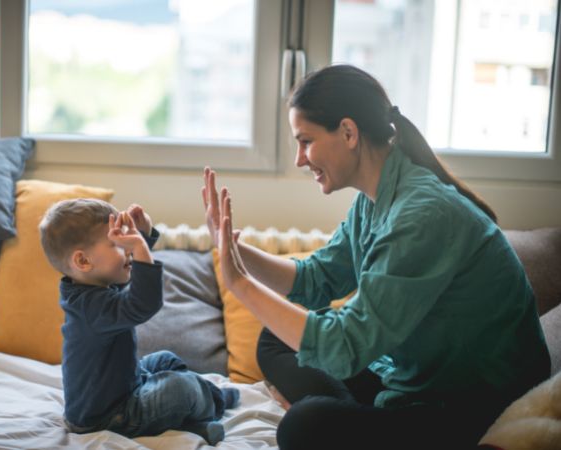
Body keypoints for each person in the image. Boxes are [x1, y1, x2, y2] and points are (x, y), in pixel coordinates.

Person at [202, 64, 550, 450]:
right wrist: (234, 254)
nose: (300, 159)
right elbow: (317, 279)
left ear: (349, 133)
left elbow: (347, 345)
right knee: (275, 341)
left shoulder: (422, 215)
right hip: (413, 374)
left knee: (303, 425)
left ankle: (353, 417)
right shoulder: (374, 200)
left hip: (468, 400)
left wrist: (239, 283)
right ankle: (359, 417)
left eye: (306, 141)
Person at [39, 198, 239, 445]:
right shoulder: (91, 308)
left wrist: (142, 236)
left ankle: (192, 421)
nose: (128, 251)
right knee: (181, 387)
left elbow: (126, 281)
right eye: (117, 244)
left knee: (165, 359)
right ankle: (213, 403)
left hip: (123, 386)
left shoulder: (86, 287)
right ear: (83, 261)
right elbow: (142, 304)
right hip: (108, 416)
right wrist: (140, 247)